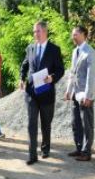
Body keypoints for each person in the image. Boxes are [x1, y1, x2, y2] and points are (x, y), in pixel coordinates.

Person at [20, 21, 65, 165]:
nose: (35, 34)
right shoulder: (30, 48)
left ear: (45, 32)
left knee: (46, 123)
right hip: (31, 92)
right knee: (31, 123)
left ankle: (45, 148)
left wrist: (52, 78)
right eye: (34, 31)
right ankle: (32, 155)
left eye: (38, 31)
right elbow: (25, 64)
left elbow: (60, 70)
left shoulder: (54, 49)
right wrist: (21, 78)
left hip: (46, 92)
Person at [65, 26, 95, 161]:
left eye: (76, 34)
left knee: (86, 124)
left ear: (84, 35)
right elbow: (72, 73)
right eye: (73, 34)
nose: (74, 37)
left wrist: (88, 96)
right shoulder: (75, 52)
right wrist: (68, 90)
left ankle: (86, 152)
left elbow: (91, 76)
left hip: (85, 94)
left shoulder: (90, 52)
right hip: (75, 93)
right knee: (75, 122)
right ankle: (79, 148)